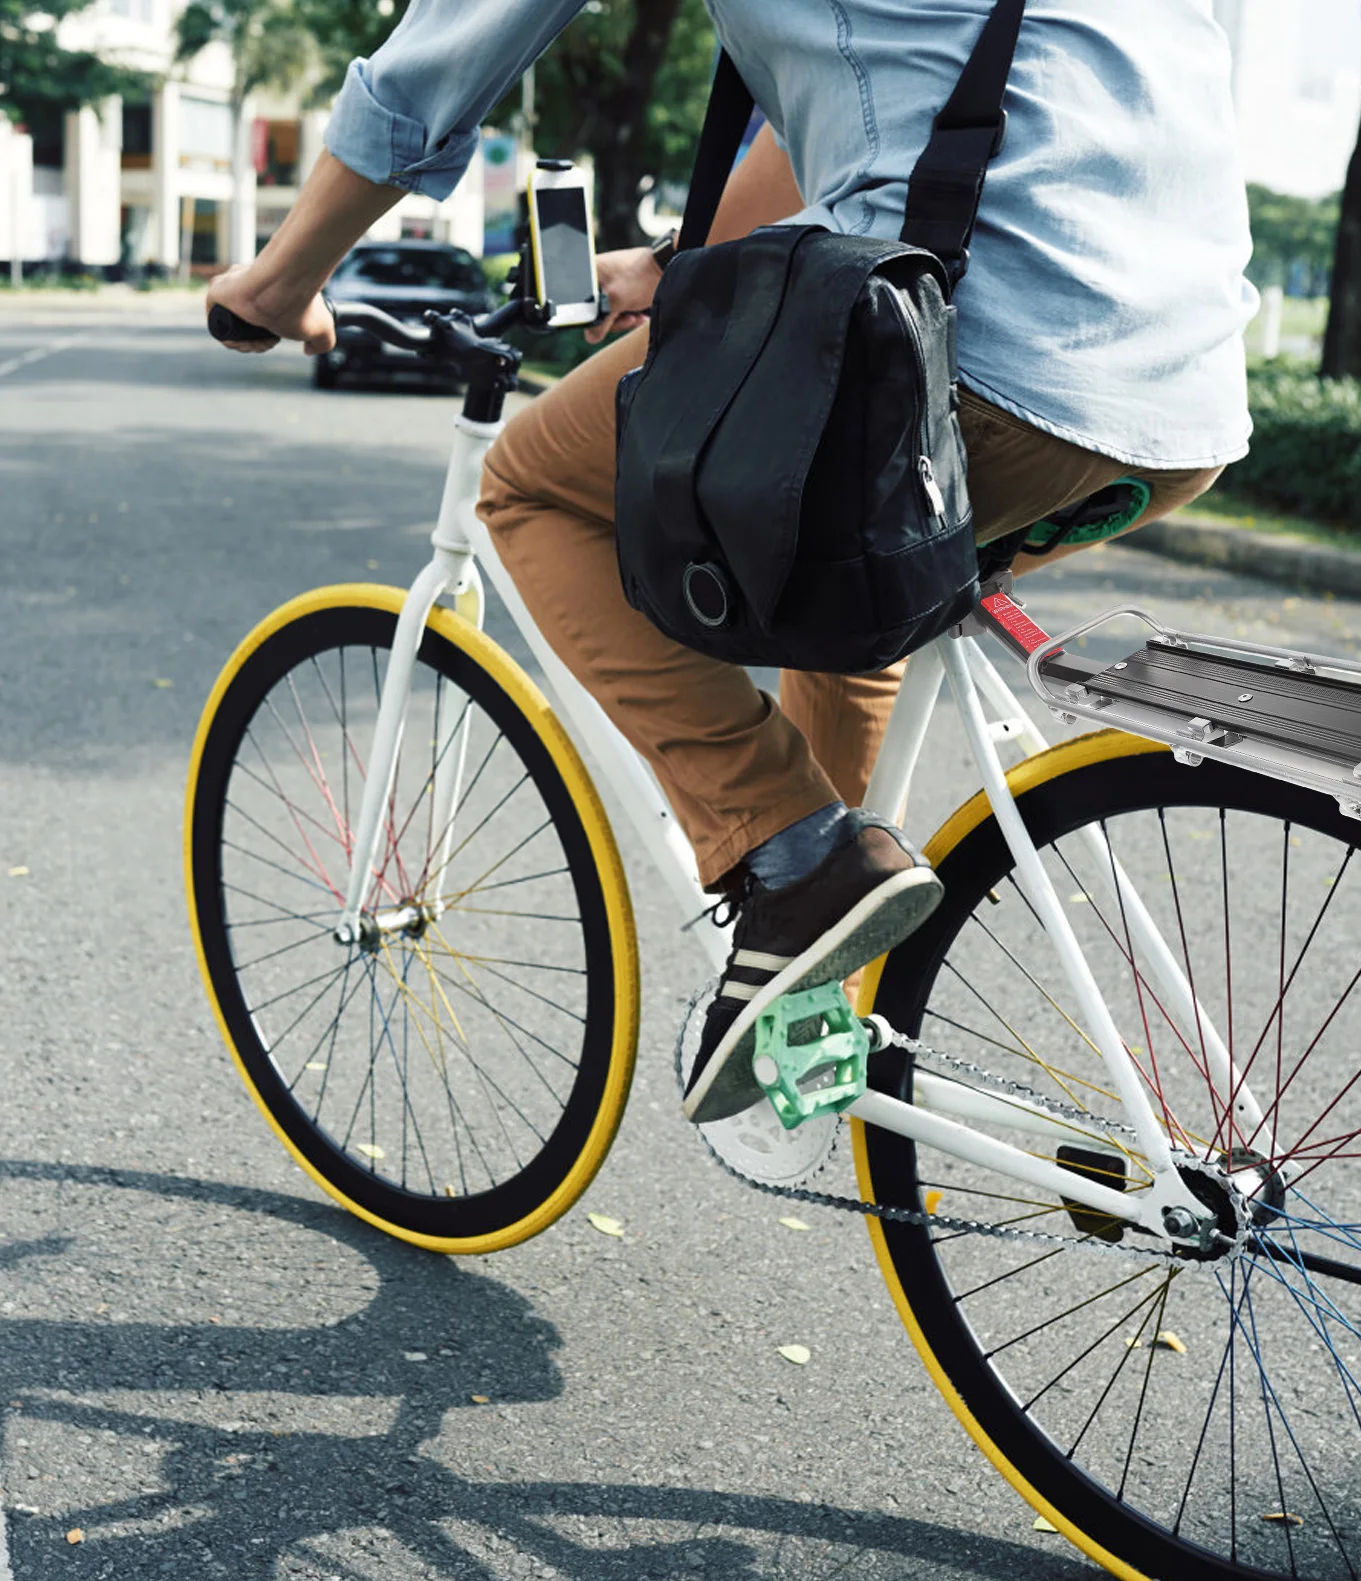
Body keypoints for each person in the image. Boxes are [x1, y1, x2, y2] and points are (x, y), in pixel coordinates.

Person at [205, 0, 1257, 1123]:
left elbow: (443, 58)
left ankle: (796, 858)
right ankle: (806, 972)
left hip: (960, 353)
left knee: (529, 485)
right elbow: (868, 98)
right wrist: (682, 266)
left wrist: (281, 281)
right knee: (847, 574)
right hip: (1179, 406)